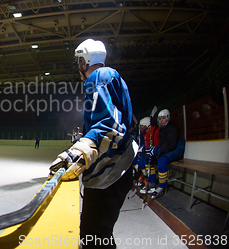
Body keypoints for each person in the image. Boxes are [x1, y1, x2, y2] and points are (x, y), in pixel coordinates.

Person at [49, 39, 134, 249]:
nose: (79, 66)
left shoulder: (99, 76)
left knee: (93, 236)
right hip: (115, 169)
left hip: (110, 171)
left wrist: (82, 148)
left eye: (79, 61)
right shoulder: (111, 77)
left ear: (85, 61)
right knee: (98, 232)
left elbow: (110, 124)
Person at [144, 109, 185, 199]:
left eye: (163, 118)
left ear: (168, 118)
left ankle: (161, 187)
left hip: (176, 149)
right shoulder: (162, 129)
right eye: (160, 119)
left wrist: (157, 150)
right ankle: (151, 183)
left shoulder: (172, 128)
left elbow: (171, 145)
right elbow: (162, 144)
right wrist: (154, 150)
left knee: (162, 160)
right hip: (168, 149)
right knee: (149, 159)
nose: (161, 120)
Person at [132, 117, 159, 191]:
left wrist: (154, 149)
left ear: (146, 125)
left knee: (147, 162)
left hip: (155, 154)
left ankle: (151, 182)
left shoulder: (154, 131)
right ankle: (144, 178)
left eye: (141, 126)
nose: (140, 128)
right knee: (139, 159)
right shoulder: (145, 134)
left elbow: (157, 143)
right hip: (148, 153)